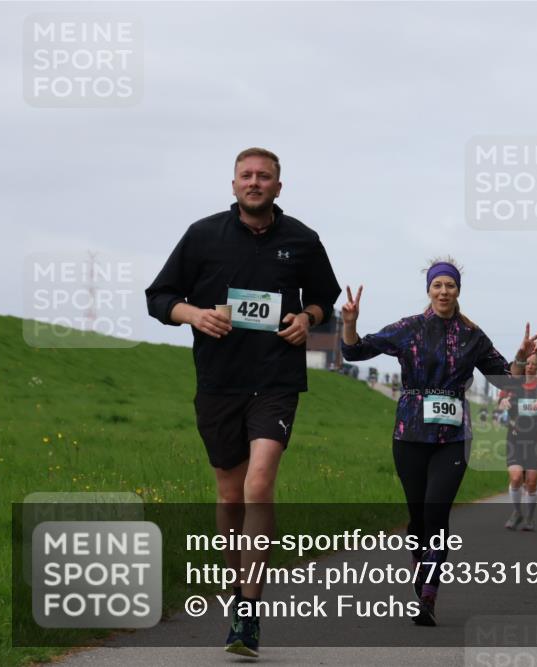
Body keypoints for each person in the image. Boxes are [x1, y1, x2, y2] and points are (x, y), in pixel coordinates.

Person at [145, 148, 341, 658]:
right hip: (218, 382)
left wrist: (307, 318)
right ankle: (237, 595)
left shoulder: (302, 239)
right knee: (231, 497)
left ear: (279, 186)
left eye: (265, 177)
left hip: (276, 380)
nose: (255, 183)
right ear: (233, 185)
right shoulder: (203, 235)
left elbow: (324, 299)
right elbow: (159, 296)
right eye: (246, 176)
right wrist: (193, 315)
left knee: (258, 484)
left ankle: (250, 611)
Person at [340, 258, 537, 626]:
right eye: (438, 285)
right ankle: (422, 568)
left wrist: (519, 358)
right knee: (418, 518)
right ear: (429, 291)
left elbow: (505, 380)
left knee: (437, 511)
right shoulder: (410, 328)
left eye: (450, 285)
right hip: (410, 434)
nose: (444, 291)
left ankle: (428, 596)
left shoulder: (472, 336)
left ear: (458, 291)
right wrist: (349, 324)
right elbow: (355, 351)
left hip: (453, 437)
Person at [498, 351, 537, 531]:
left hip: (535, 439)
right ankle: (517, 512)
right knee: (517, 476)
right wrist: (503, 403)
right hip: (515, 437)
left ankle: (529, 517)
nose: (530, 366)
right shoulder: (512, 385)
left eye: (534, 363)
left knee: (532, 482)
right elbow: (500, 401)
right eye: (527, 363)